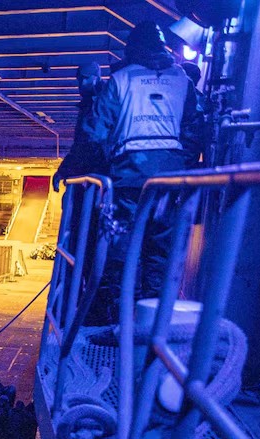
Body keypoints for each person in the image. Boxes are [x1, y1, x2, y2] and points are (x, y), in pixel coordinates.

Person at [87, 21, 203, 321]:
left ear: (132, 48)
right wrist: (178, 165)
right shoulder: (182, 80)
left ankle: (116, 321)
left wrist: (106, 168)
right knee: (159, 252)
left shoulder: (121, 79)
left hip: (128, 178)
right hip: (169, 179)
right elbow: (193, 131)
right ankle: (151, 322)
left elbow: (95, 133)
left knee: (121, 251)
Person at [52, 63, 108, 191]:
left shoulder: (100, 103)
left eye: (86, 78)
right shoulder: (94, 102)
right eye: (80, 79)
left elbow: (86, 143)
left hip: (98, 168)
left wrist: (64, 170)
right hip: (98, 169)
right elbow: (82, 142)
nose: (82, 83)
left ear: (96, 78)